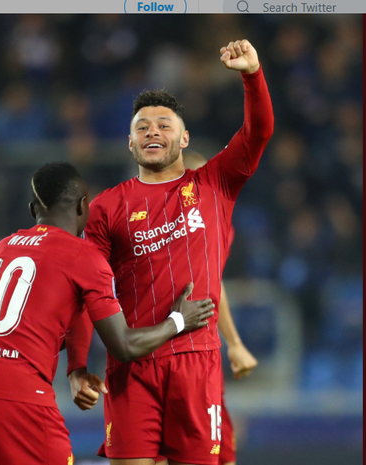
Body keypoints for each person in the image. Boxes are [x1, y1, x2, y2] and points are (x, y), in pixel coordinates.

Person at [66, 39, 273, 465]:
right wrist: (76, 365)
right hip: (131, 368)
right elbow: (88, 292)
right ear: (129, 142)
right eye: (142, 127)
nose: (153, 132)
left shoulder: (214, 184)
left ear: (184, 137)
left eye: (163, 124)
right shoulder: (107, 206)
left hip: (195, 364)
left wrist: (252, 76)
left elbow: (259, 133)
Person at [0, 162, 216, 464]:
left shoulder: (2, 249)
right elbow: (123, 346)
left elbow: (41, 325)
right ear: (84, 206)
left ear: (34, 209)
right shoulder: (83, 256)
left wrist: (76, 368)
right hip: (18, 402)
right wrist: (178, 321)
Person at [154, 152, 259, 465]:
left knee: (222, 456)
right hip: (160, 358)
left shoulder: (217, 223)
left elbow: (214, 284)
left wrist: (235, 344)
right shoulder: (158, 227)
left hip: (202, 359)